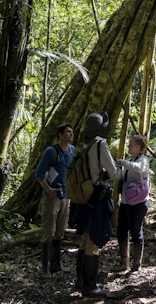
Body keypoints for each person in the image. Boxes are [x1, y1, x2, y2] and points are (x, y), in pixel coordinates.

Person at [74, 111, 119, 298]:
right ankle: (90, 287)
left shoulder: (84, 144)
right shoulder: (100, 144)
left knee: (85, 240)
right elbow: (114, 172)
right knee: (94, 241)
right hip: (97, 197)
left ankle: (80, 281)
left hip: (85, 197)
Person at [35, 122, 75, 279]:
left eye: (72, 132)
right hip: (52, 197)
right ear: (60, 134)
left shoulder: (72, 151)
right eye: (67, 132)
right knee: (48, 232)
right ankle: (44, 268)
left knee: (60, 231)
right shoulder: (51, 151)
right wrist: (49, 190)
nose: (71, 134)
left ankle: (56, 264)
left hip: (65, 197)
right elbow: (39, 173)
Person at [114, 135, 150, 273]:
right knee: (122, 230)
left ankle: (136, 264)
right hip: (125, 202)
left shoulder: (143, 160)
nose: (129, 147)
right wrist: (114, 169)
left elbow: (139, 168)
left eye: (131, 145)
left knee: (136, 231)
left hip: (139, 202)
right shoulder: (129, 162)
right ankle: (124, 262)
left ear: (139, 148)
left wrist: (122, 162)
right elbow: (120, 176)